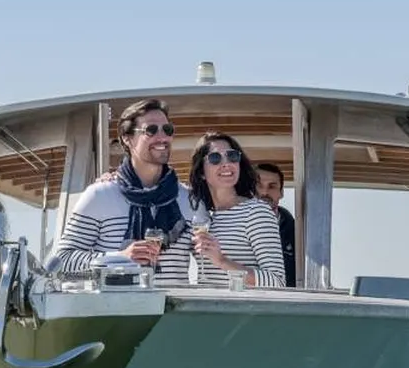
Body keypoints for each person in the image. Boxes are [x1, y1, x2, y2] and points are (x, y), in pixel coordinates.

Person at [47, 99, 203, 275]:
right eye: (151, 130)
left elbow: (211, 265)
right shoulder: (99, 196)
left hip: (173, 303)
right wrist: (120, 258)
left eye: (167, 130)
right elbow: (62, 260)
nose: (162, 137)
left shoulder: (189, 200)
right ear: (127, 139)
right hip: (114, 303)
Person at [181, 132, 285, 288]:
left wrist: (222, 261)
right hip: (206, 310)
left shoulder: (256, 212)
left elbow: (276, 282)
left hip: (243, 311)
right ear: (201, 172)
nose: (226, 163)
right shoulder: (202, 217)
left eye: (232, 156)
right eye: (215, 158)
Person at [256, 162, 298, 288]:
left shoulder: (298, 233)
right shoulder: (234, 226)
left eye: (272, 186)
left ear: (281, 192)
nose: (264, 192)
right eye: (258, 185)